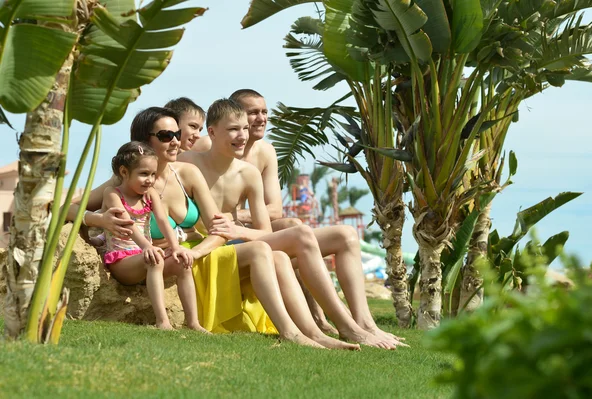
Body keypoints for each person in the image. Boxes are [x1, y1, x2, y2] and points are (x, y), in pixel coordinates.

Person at [66, 107, 350, 349]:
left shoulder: (187, 173)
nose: (177, 141)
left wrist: (197, 252)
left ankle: (310, 332)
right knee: (265, 250)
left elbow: (219, 229)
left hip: (192, 255)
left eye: (177, 134)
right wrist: (98, 220)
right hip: (164, 263)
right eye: (166, 136)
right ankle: (292, 333)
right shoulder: (122, 183)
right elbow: (65, 207)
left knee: (274, 253)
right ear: (144, 141)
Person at [180, 99, 401, 349]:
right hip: (205, 248)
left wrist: (235, 228)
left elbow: (264, 229)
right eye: (233, 129)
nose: (241, 135)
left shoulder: (249, 173)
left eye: (244, 128)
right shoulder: (189, 162)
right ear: (211, 132)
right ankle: (347, 327)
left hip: (237, 243)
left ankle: (334, 328)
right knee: (301, 234)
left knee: (306, 245)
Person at [98, 141, 193, 330]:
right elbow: (128, 224)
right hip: (122, 262)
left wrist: (175, 248)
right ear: (124, 172)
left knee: (183, 262)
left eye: (152, 174)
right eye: (143, 174)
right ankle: (163, 322)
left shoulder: (150, 194)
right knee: (155, 259)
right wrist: (147, 247)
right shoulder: (112, 194)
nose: (149, 179)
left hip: (146, 258)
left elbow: (163, 221)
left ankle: (193, 323)